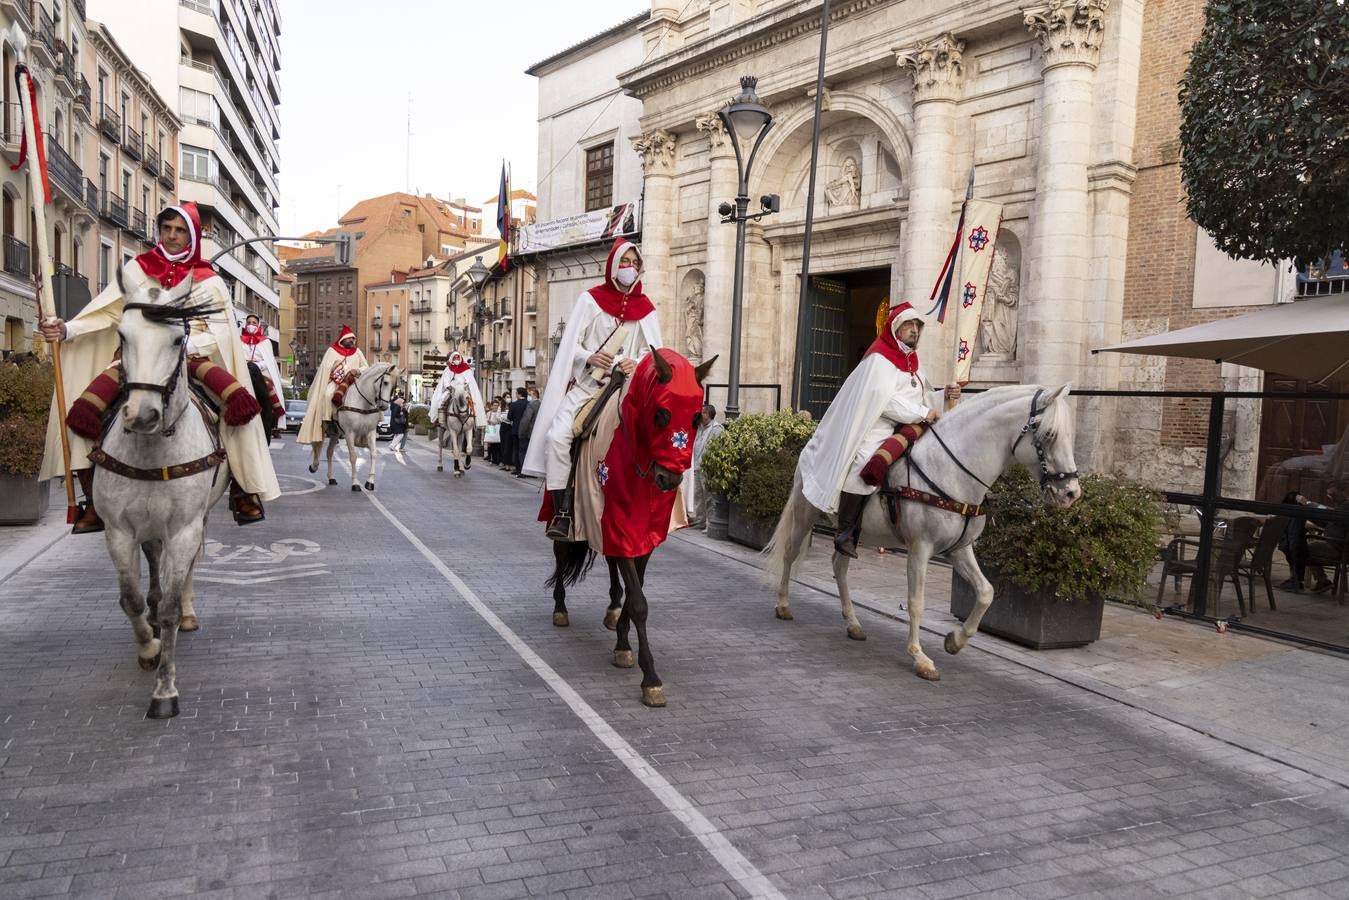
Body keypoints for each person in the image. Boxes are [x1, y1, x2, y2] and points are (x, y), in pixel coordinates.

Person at [37, 201, 280, 530]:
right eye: (166, 229)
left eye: (180, 230)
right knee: (82, 410)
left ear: (191, 236)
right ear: (159, 231)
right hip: (137, 359)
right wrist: (67, 329)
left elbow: (221, 332)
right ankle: (92, 500)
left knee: (240, 407)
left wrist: (181, 347)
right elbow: (107, 312)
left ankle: (243, 487)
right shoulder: (137, 271)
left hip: (193, 358)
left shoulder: (209, 280)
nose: (172, 236)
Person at [523, 238, 663, 540]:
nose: (631, 268)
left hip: (627, 388)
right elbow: (569, 348)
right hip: (590, 387)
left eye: (635, 263)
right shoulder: (590, 300)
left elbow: (655, 355)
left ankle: (656, 502)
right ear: (613, 265)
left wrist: (634, 362)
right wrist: (590, 356)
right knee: (557, 437)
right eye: (625, 262)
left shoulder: (647, 310)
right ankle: (563, 513)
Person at [796, 302, 960, 558]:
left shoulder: (914, 363)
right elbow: (883, 400)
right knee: (862, 463)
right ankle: (847, 530)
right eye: (908, 325)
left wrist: (943, 396)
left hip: (910, 426)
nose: (914, 330)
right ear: (895, 328)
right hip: (877, 424)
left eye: (917, 325)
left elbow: (923, 399)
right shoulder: (879, 358)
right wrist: (920, 413)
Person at [296, 325, 367, 445]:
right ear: (342, 339)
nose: (351, 341)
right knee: (327, 395)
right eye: (349, 338)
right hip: (336, 382)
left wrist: (357, 370)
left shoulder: (357, 352)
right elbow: (325, 368)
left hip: (354, 381)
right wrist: (334, 373)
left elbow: (366, 366)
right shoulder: (332, 351)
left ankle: (366, 425)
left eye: (353, 339)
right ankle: (330, 423)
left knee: (368, 397)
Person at [429, 351, 486, 456]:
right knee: (441, 400)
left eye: (458, 357)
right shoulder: (448, 369)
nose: (456, 359)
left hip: (464, 390)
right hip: (451, 390)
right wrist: (450, 387)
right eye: (454, 357)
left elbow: (469, 381)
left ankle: (476, 420)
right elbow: (445, 381)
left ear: (461, 358)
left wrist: (464, 387)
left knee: (474, 401)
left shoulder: (466, 369)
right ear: (451, 358)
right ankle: (439, 419)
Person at [1306, 482, 1348, 593]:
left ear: (1343, 491)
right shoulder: (1341, 506)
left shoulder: (1345, 507)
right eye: (1330, 496)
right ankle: (1322, 579)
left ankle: (1321, 579)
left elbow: (1331, 519)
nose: (1332, 498)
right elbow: (1331, 523)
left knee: (1301, 547)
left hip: (1338, 548)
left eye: (1334, 495)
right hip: (1338, 545)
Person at [687, 403, 724, 527]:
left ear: (708, 414)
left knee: (708, 496)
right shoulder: (700, 427)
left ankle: (710, 523)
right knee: (698, 495)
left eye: (703, 412)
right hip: (697, 465)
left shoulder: (716, 428)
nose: (701, 414)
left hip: (707, 468)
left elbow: (714, 448)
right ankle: (700, 520)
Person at [516, 388, 540, 479]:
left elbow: (526, 420)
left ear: (534, 395)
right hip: (537, 433)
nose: (529, 396)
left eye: (530, 394)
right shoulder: (541, 405)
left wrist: (521, 432)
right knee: (533, 453)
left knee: (523, 452)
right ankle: (533, 472)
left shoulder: (531, 405)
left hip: (527, 433)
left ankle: (524, 471)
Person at [506, 387, 529, 474]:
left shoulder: (514, 404)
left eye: (516, 393)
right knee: (524, 449)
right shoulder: (529, 404)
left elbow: (509, 418)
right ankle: (524, 467)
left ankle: (518, 468)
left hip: (515, 429)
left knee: (516, 449)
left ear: (519, 394)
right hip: (526, 430)